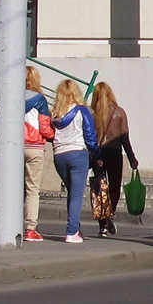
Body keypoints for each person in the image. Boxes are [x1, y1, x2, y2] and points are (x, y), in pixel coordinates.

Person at [51, 80, 101, 243]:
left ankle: (75, 228)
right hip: (78, 154)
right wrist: (97, 154)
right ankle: (71, 231)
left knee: (71, 192)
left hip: (59, 155)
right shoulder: (82, 111)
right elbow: (90, 135)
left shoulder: (56, 113)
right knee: (76, 195)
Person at [90, 82, 139, 238]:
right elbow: (124, 138)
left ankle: (102, 225)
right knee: (114, 188)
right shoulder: (119, 112)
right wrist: (132, 158)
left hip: (97, 155)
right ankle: (110, 213)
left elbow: (88, 137)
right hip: (115, 154)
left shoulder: (92, 113)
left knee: (99, 189)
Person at [23, 66, 55, 242]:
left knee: (15, 189)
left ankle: (10, 223)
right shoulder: (40, 100)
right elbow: (45, 128)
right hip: (34, 147)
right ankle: (30, 228)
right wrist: (54, 135)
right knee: (32, 190)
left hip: (14, 147)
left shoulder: (12, 96)